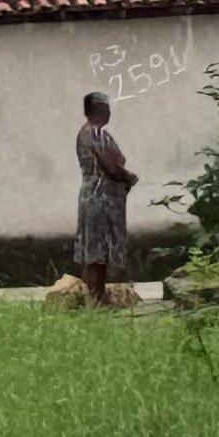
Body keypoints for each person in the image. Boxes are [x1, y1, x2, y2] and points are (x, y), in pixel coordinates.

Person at [71, 90, 136, 307]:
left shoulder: (102, 134)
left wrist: (122, 173)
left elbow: (117, 159)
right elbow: (110, 165)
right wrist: (126, 176)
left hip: (107, 198)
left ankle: (100, 295)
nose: (109, 112)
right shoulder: (90, 134)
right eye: (106, 107)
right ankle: (95, 297)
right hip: (96, 197)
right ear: (98, 109)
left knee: (103, 249)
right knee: (94, 249)